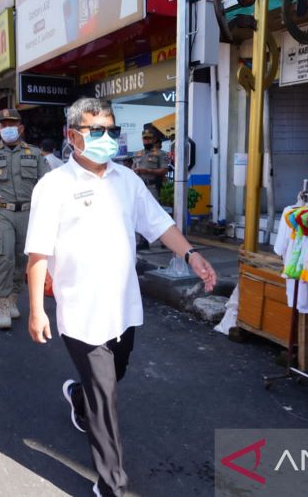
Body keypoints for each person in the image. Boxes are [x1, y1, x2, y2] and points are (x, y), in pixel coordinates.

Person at [25, 97, 216, 497]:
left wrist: (192, 255)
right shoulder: (54, 185)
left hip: (124, 307)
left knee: (115, 376)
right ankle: (112, 483)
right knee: (106, 396)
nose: (107, 139)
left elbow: (160, 225)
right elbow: (38, 252)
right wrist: (37, 311)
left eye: (112, 131)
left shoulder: (126, 180)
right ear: (72, 135)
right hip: (80, 311)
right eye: (97, 132)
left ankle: (79, 396)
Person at [0, 108, 48, 329]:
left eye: (12, 124)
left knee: (22, 259)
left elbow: (47, 186)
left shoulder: (35, 154)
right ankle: (2, 303)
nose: (8, 128)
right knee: (4, 257)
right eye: (3, 125)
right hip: (1, 212)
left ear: (20, 128)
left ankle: (12, 298)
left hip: (29, 213)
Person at [133, 128, 169, 200]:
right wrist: (133, 170)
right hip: (138, 187)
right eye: (145, 138)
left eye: (149, 138)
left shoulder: (161, 153)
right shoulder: (137, 154)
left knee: (152, 210)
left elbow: (164, 170)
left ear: (154, 139)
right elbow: (133, 168)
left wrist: (148, 171)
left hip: (152, 187)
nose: (147, 140)